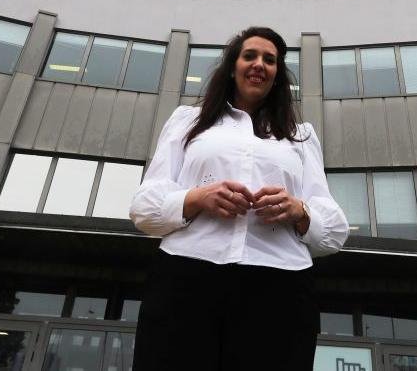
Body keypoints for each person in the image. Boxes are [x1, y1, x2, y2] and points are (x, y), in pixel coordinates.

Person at [129, 26, 348, 371]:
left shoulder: (301, 137)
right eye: (250, 55)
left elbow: (334, 231)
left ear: (277, 76)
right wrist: (197, 197)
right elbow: (143, 207)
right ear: (233, 66)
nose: (259, 64)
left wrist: (298, 210)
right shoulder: (189, 121)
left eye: (270, 60)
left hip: (280, 287)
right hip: (186, 277)